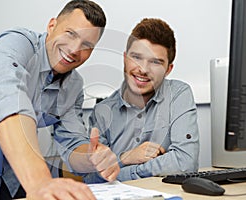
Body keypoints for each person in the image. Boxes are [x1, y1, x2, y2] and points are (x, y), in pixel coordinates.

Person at [0, 0, 120, 199]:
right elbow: (10, 106)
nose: (74, 49)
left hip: (12, 183)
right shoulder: (15, 44)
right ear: (52, 25)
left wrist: (92, 158)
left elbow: (71, 145)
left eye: (87, 45)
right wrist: (40, 182)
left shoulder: (74, 86)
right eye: (70, 34)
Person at [85, 18, 199, 183]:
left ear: (168, 69)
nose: (143, 69)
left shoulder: (178, 94)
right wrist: (126, 158)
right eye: (136, 57)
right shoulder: (102, 112)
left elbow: (186, 163)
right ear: (125, 58)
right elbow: (91, 178)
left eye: (155, 62)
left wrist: (123, 170)